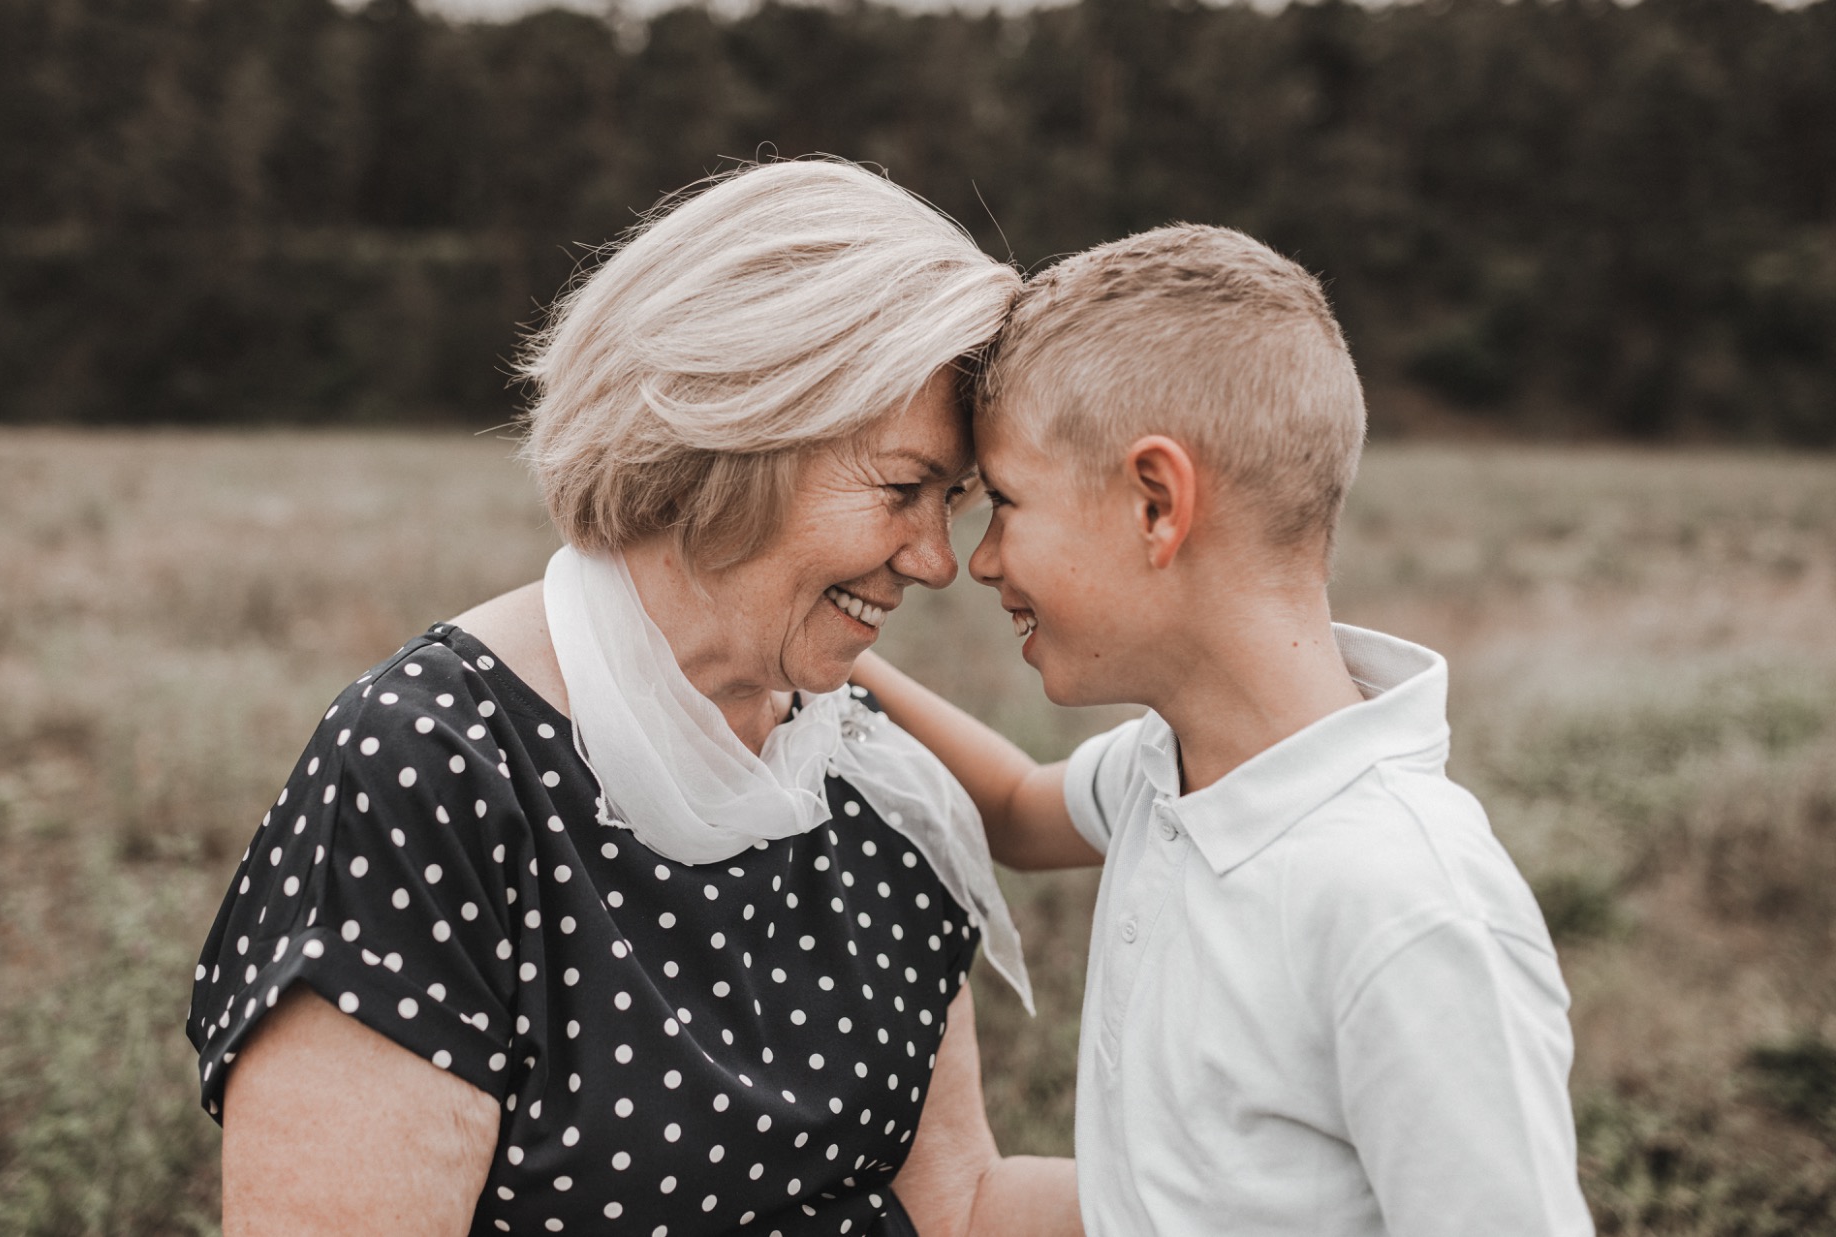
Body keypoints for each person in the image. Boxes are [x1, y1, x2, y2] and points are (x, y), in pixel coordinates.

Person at [185, 159, 1084, 1237]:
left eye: (954, 498)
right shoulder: (431, 774)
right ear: (730, 428)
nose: (937, 560)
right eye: (901, 488)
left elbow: (955, 1203)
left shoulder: (872, 766)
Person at [853, 224, 1594, 1235]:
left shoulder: (1411, 911)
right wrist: (826, 656)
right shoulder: (1172, 769)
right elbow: (1017, 810)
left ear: (1156, 504)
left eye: (1008, 504)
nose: (979, 562)